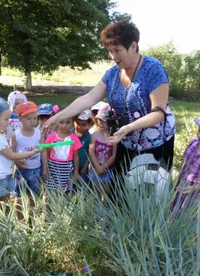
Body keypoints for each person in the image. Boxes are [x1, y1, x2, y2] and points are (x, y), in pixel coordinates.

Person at [43, 19, 176, 174]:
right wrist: (58, 116)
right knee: (123, 189)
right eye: (110, 51)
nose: (113, 56)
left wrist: (129, 127)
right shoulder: (112, 74)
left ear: (133, 46)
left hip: (155, 142)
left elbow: (158, 113)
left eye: (117, 50)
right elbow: (88, 98)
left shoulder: (154, 69)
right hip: (124, 139)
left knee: (150, 191)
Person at [0, 97, 41, 208]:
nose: (9, 122)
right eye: (6, 119)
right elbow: (11, 155)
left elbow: (6, 157)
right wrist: (32, 152)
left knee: (6, 205)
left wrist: (16, 161)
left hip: (5, 176)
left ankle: (7, 224)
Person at [11, 101, 42, 199]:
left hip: (36, 169)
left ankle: (32, 214)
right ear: (20, 119)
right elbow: (10, 153)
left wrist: (45, 168)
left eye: (35, 118)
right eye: (29, 119)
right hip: (21, 171)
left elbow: (43, 151)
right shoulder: (16, 135)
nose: (33, 121)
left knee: (34, 196)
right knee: (19, 197)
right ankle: (20, 214)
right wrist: (16, 161)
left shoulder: (39, 133)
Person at [43, 116, 82, 193]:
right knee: (51, 192)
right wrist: (45, 168)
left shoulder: (74, 138)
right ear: (57, 122)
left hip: (66, 170)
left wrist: (76, 173)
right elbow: (46, 152)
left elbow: (76, 157)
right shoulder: (51, 137)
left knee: (65, 192)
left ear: (72, 123)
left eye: (68, 122)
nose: (64, 125)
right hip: (52, 169)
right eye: (61, 122)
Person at [88, 105, 117, 193]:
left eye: (104, 121)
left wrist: (103, 167)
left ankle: (103, 206)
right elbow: (91, 151)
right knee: (96, 191)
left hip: (107, 169)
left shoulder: (114, 136)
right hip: (95, 167)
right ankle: (96, 206)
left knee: (106, 191)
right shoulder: (95, 135)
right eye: (99, 120)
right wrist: (97, 166)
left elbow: (114, 154)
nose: (100, 123)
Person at [74, 110, 93, 183]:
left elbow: (90, 153)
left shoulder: (89, 137)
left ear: (89, 124)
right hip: (71, 166)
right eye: (78, 123)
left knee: (83, 186)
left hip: (83, 166)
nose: (80, 126)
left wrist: (85, 167)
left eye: (83, 124)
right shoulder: (72, 135)